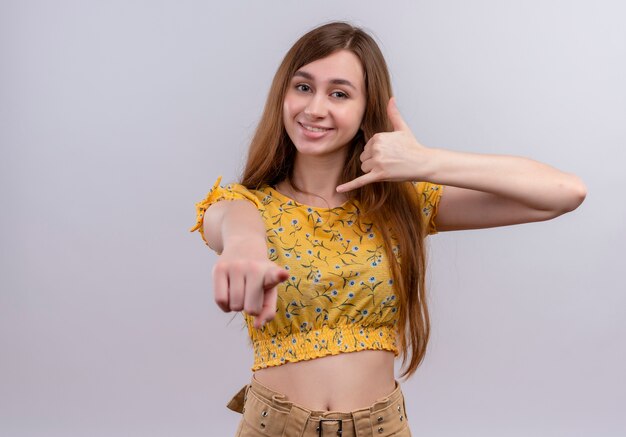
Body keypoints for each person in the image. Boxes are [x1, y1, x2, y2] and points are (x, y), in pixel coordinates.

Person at [190, 21, 586, 437]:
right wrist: (245, 248)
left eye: (339, 94)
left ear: (367, 110)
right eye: (303, 87)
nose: (315, 108)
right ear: (282, 95)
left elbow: (564, 193)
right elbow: (234, 223)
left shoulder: (403, 205)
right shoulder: (245, 204)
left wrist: (426, 162)